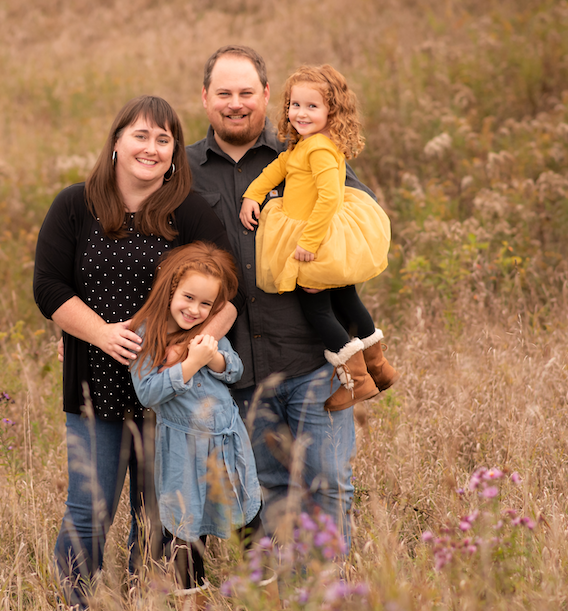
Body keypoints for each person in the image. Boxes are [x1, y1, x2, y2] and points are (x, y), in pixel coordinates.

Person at [33, 95, 242, 607]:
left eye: (164, 139)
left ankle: (148, 600)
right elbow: (49, 288)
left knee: (161, 513)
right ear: (117, 142)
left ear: (174, 154)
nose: (151, 148)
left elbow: (229, 294)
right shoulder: (73, 205)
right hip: (94, 384)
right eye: (141, 136)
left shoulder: (189, 213)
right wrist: (100, 333)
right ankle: (75, 602)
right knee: (90, 509)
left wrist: (188, 349)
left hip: (172, 395)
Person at [187, 45, 393, 551]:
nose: (235, 103)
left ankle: (326, 595)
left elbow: (362, 221)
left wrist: (328, 267)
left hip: (310, 359)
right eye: (223, 93)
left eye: (245, 93)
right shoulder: (184, 170)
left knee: (327, 485)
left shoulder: (307, 150)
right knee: (269, 490)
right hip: (236, 369)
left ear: (265, 95)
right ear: (205, 98)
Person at [240, 64, 398, 411]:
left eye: (312, 106)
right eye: (295, 105)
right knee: (346, 299)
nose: (300, 113)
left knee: (317, 306)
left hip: (317, 236)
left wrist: (308, 245)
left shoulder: (320, 150)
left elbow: (329, 198)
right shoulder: (304, 145)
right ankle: (378, 367)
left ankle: (356, 381)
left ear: (332, 111)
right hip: (321, 233)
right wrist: (253, 194)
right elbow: (277, 168)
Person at [128, 242, 262, 598]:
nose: (195, 310)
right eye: (188, 298)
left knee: (247, 516)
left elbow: (234, 370)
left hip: (227, 439)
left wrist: (211, 357)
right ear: (172, 288)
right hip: (182, 446)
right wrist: (189, 363)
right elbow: (148, 393)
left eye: (206, 304)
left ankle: (265, 595)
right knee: (186, 526)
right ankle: (193, 598)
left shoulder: (208, 333)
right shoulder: (146, 333)